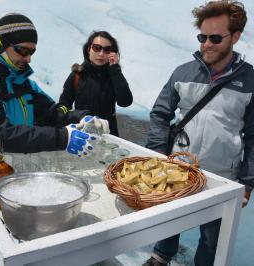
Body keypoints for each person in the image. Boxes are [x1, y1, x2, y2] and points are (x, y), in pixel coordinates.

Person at [0, 13, 109, 266]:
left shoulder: (23, 81)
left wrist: (82, 118)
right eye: (22, 50)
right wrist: (61, 138)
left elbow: (54, 112)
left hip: (13, 171)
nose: (27, 58)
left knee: (7, 240)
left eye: (32, 52)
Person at [144, 1, 253, 265]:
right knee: (170, 218)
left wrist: (247, 181)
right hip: (177, 169)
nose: (206, 44)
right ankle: (161, 256)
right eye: (202, 37)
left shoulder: (250, 81)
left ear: (235, 37)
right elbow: (160, 114)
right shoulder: (183, 72)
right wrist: (159, 154)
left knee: (213, 238)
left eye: (215, 38)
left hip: (222, 176)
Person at [59, 31, 133, 136]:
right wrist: (79, 118)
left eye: (107, 50)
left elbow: (125, 102)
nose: (101, 54)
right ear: (89, 49)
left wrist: (115, 69)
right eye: (97, 48)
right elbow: (64, 106)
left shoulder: (114, 75)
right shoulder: (77, 75)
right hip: (80, 135)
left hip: (108, 136)